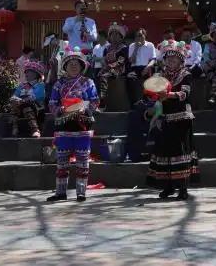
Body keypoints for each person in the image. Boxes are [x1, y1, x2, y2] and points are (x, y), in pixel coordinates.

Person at [146, 40, 200, 200]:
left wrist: (168, 95)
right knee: (165, 152)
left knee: (180, 152)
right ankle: (168, 186)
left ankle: (183, 188)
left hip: (181, 118)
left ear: (181, 60)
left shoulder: (186, 75)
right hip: (164, 118)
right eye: (168, 58)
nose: (171, 61)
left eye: (174, 58)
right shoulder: (160, 76)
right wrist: (152, 98)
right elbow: (151, 93)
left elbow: (184, 94)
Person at [47, 48, 100, 202]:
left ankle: (81, 192)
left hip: (82, 124)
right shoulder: (59, 84)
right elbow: (52, 103)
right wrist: (60, 109)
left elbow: (95, 100)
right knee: (62, 160)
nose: (74, 66)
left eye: (77, 63)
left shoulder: (88, 82)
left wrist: (85, 107)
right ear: (65, 66)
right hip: (64, 124)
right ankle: (60, 192)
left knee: (82, 160)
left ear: (82, 66)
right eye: (71, 64)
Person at [9, 60, 46, 137]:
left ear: (36, 74)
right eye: (26, 72)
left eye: (29, 72)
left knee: (27, 107)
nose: (26, 74)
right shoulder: (22, 86)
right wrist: (14, 99)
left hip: (37, 108)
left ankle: (35, 129)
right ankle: (14, 127)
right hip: (21, 106)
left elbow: (40, 96)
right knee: (13, 105)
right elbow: (15, 95)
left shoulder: (40, 85)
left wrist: (23, 100)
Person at [99, 23, 129, 110]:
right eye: (112, 35)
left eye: (116, 35)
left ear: (121, 37)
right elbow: (104, 60)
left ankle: (103, 98)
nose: (114, 37)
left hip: (119, 70)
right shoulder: (106, 48)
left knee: (105, 76)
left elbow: (121, 61)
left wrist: (109, 67)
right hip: (107, 69)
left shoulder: (124, 48)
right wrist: (104, 67)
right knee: (99, 74)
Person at [127, 28, 157, 105]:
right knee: (130, 78)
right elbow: (131, 61)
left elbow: (153, 59)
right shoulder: (132, 46)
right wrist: (136, 48)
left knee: (148, 81)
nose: (138, 37)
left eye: (140, 35)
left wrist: (147, 67)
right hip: (135, 68)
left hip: (147, 67)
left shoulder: (150, 45)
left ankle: (147, 101)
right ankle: (134, 102)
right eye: (136, 36)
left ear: (144, 35)